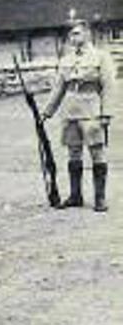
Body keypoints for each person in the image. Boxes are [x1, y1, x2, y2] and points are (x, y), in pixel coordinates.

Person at [42, 18, 116, 212]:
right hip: (70, 111)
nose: (72, 38)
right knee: (73, 152)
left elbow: (108, 87)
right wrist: (46, 112)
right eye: (70, 34)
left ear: (87, 34)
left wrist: (106, 113)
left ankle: (99, 198)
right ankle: (76, 195)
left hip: (92, 110)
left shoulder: (101, 57)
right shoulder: (66, 60)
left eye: (76, 33)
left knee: (96, 151)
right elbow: (59, 89)